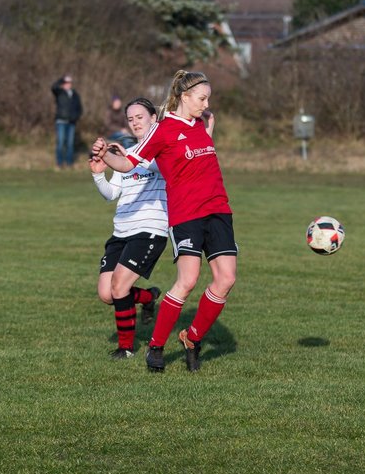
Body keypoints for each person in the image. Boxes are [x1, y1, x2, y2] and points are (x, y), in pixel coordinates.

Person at [93, 70, 236, 374]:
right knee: (187, 281)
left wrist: (208, 127)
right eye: (202, 97)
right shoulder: (162, 130)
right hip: (187, 216)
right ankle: (156, 347)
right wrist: (106, 157)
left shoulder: (199, 124)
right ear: (185, 97)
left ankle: (192, 339)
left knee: (226, 279)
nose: (207, 103)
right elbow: (127, 163)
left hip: (219, 211)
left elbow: (198, 154)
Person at [89, 97, 167, 359]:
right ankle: (148, 297)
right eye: (130, 119)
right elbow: (111, 193)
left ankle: (126, 348)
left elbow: (151, 163)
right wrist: (99, 171)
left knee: (119, 288)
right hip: (121, 231)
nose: (134, 122)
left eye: (140, 117)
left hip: (149, 231)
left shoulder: (165, 149)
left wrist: (122, 156)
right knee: (106, 294)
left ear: (153, 118)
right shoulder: (130, 151)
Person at [51, 75, 83, 169]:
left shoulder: (75, 94)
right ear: (63, 84)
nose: (67, 84)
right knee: (60, 143)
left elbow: (79, 108)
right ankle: (59, 164)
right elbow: (53, 87)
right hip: (61, 121)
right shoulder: (59, 92)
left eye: (69, 83)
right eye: (65, 83)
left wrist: (75, 117)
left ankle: (69, 164)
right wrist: (61, 79)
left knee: (70, 144)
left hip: (71, 123)